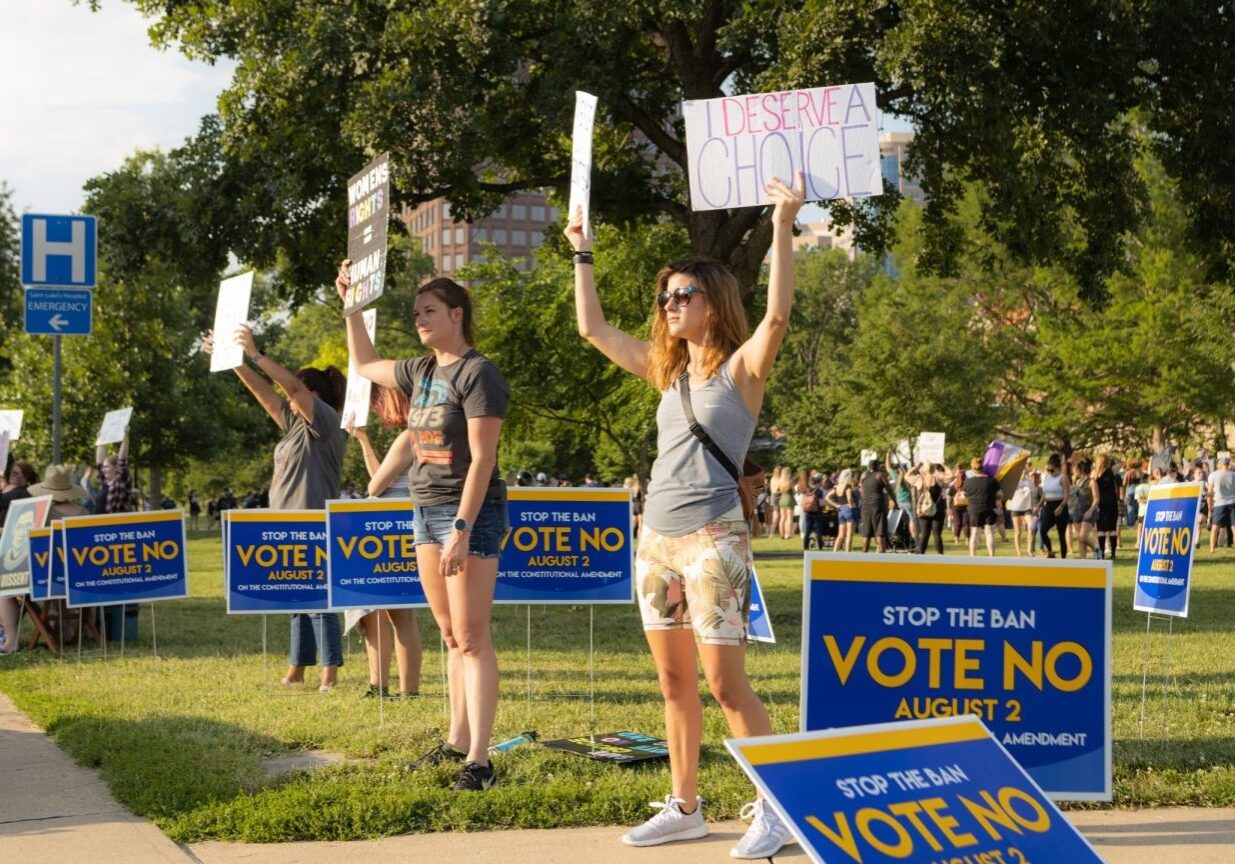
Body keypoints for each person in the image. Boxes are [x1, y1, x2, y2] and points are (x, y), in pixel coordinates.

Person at [567, 174, 803, 857]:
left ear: (712, 302)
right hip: (656, 542)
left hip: (713, 539)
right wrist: (581, 252)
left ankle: (777, 806)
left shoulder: (741, 371)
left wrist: (782, 224)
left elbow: (778, 316)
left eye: (682, 295)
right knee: (673, 683)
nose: (669, 304)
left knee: (726, 684)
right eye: (664, 296)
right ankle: (686, 805)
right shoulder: (664, 373)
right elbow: (590, 327)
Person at [339, 264, 509, 793]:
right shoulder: (422, 372)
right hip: (424, 510)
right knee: (451, 635)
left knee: (474, 638)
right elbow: (365, 363)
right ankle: (456, 742)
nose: (419, 321)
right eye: (415, 315)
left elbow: (482, 460)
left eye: (429, 312)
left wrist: (461, 526)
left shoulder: (478, 374)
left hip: (467, 515)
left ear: (457, 315)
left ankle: (480, 761)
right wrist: (350, 306)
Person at [203, 324, 347, 693]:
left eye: (298, 391)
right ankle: (298, 667)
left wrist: (256, 353)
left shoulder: (325, 421)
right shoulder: (294, 424)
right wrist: (233, 360)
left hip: (314, 522)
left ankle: (329, 674)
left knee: (320, 601)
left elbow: (291, 388)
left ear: (315, 395)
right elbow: (263, 393)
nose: (289, 397)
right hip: (286, 522)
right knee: (297, 599)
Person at [345, 387, 424, 700]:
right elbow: (382, 477)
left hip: (391, 526)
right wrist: (363, 440)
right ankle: (404, 690)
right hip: (404, 523)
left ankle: (387, 686)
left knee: (389, 612)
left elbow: (376, 486)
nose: (377, 410)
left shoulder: (409, 436)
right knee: (399, 613)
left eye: (379, 403)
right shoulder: (425, 435)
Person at [962, 458, 1000, 557]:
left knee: (974, 532)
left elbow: (963, 495)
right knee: (990, 532)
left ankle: (973, 556)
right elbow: (1000, 494)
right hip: (989, 508)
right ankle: (992, 556)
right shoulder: (992, 480)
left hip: (974, 510)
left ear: (972, 469)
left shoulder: (968, 482)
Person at [908, 463, 946, 555]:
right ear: (934, 469)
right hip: (938, 510)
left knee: (924, 534)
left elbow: (907, 475)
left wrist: (917, 466)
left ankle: (921, 555)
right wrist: (943, 465)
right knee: (937, 534)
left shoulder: (919, 479)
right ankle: (940, 556)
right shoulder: (938, 479)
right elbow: (951, 476)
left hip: (923, 510)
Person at [1039, 454, 1071, 558]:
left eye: (1052, 470)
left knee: (1061, 534)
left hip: (1060, 505)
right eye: (1048, 470)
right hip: (1048, 506)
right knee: (1043, 530)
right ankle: (1050, 551)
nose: (1050, 472)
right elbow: (1045, 493)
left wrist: (1061, 507)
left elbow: (1067, 495)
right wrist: (1039, 505)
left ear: (1058, 468)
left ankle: (1063, 558)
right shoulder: (1048, 477)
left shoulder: (1063, 477)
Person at [859, 460, 894, 553]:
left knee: (866, 532)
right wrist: (894, 501)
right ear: (877, 466)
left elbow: (861, 491)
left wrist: (865, 500)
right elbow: (889, 489)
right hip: (877, 505)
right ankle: (882, 555)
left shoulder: (863, 475)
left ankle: (864, 554)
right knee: (880, 531)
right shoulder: (880, 475)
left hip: (865, 505)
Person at [1092, 453, 1120, 560]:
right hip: (1112, 502)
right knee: (1112, 528)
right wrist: (1114, 457)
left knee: (1101, 529)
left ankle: (1102, 553)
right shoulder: (1111, 471)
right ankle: (1113, 552)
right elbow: (1121, 464)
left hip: (1100, 502)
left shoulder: (1094, 473)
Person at [1207, 454, 1235, 553]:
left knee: (1215, 527)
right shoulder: (1233, 475)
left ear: (1220, 464)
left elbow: (1210, 492)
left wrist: (1209, 504)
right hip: (1232, 502)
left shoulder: (1213, 475)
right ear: (1228, 464)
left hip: (1219, 503)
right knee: (1233, 527)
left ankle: (1212, 549)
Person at [1069, 457, 1096, 559]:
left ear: (1080, 470)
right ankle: (1083, 560)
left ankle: (1097, 549)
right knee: (1080, 540)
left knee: (1083, 536)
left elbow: (1096, 499)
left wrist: (1090, 511)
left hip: (1088, 511)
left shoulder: (1092, 482)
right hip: (1077, 511)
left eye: (1077, 469)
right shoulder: (1076, 482)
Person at [1007, 462, 1035, 556]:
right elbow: (1008, 492)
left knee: (1031, 528)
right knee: (1018, 531)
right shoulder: (1013, 481)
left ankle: (1029, 550)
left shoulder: (1030, 481)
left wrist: (1034, 506)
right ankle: (1019, 553)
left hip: (1027, 508)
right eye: (1021, 470)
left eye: (1024, 469)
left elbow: (1033, 494)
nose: (1023, 471)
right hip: (1015, 507)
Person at [825, 468, 857, 553]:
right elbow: (849, 497)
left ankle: (834, 552)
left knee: (841, 534)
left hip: (840, 510)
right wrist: (851, 504)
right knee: (849, 534)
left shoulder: (836, 487)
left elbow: (827, 497)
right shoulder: (848, 486)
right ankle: (847, 552)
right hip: (848, 510)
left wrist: (836, 505)